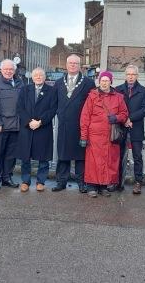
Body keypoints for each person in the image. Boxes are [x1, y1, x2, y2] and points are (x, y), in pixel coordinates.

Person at [80, 71, 128, 197]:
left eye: (107, 80)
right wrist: (84, 136)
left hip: (110, 136)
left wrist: (116, 118)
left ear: (111, 82)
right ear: (99, 81)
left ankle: (104, 185)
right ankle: (91, 186)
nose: (104, 83)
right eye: (102, 80)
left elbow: (124, 114)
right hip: (94, 135)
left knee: (108, 161)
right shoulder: (92, 96)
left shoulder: (118, 97)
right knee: (93, 161)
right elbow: (85, 117)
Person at [52, 54, 95, 192]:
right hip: (64, 124)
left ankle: (82, 182)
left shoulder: (88, 83)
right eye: (70, 63)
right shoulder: (58, 83)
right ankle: (61, 181)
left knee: (81, 156)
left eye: (75, 63)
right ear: (66, 65)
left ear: (79, 65)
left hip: (80, 125)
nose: (72, 65)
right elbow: (53, 103)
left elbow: (92, 104)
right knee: (63, 154)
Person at [16, 68, 57, 192]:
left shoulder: (51, 91)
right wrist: (29, 121)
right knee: (25, 156)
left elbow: (53, 109)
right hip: (27, 128)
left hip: (43, 127)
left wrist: (40, 122)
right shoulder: (24, 89)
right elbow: (20, 108)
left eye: (41, 75)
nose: (38, 77)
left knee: (43, 157)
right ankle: (25, 181)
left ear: (45, 77)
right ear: (32, 77)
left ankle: (41, 181)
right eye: (36, 75)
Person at [0, 59, 23, 190]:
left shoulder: (20, 82)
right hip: (1, 125)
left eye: (11, 69)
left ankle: (7, 177)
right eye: (6, 69)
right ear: (1, 70)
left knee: (11, 153)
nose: (8, 71)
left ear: (14, 70)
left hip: (16, 124)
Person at [115, 65, 145, 194]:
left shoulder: (143, 91)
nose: (130, 76)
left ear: (137, 76)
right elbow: (115, 108)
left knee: (137, 156)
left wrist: (130, 118)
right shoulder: (118, 90)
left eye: (133, 74)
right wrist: (124, 119)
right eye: (128, 74)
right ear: (125, 75)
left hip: (136, 128)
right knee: (119, 155)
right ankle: (118, 182)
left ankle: (138, 182)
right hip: (121, 128)